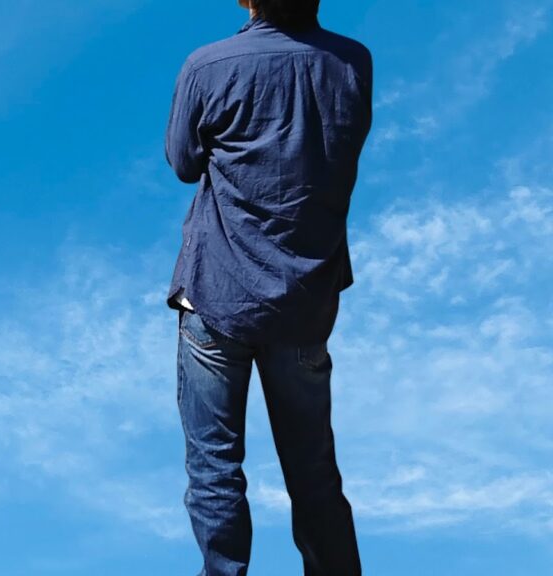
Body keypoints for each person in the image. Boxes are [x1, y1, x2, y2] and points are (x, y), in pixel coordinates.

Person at [164, 0, 372, 574]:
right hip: (305, 299)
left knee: (214, 471)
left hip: (217, 290)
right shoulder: (353, 63)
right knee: (314, 475)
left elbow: (183, 162)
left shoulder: (207, 65)